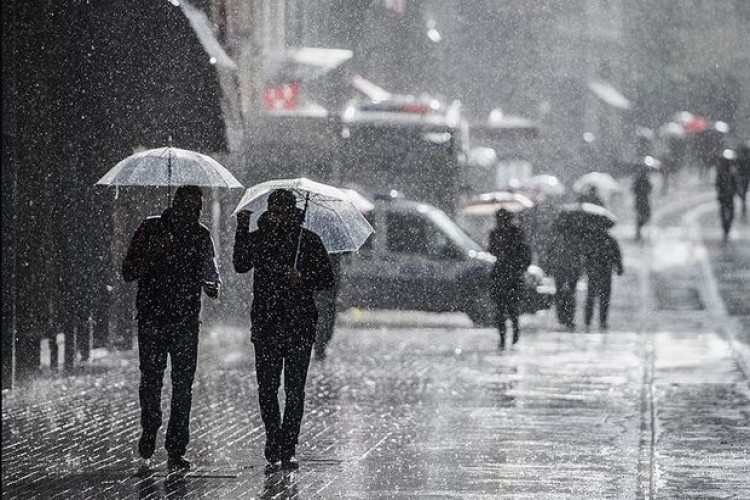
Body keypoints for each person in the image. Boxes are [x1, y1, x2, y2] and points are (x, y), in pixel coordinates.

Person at [233, 189, 335, 472]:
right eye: (274, 211)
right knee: (267, 388)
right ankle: (273, 437)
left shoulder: (308, 241)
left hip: (299, 323)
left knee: (294, 390)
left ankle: (288, 445)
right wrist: (242, 229)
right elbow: (241, 264)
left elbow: (326, 279)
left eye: (283, 212)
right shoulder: (260, 238)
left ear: (293, 212)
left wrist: (302, 277)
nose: (278, 217)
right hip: (266, 323)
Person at [122, 185, 221, 471]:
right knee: (151, 380)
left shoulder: (200, 235)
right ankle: (151, 425)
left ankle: (176, 447)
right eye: (188, 208)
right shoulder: (151, 229)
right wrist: (154, 252)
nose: (192, 214)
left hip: (186, 321)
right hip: (153, 318)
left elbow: (210, 274)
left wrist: (212, 286)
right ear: (175, 205)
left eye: (197, 210)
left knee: (183, 387)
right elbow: (128, 271)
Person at [487, 209, 532, 349]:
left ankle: (509, 335)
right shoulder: (504, 233)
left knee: (506, 309)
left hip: (507, 275)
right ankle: (507, 336)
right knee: (506, 309)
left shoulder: (514, 233)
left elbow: (525, 255)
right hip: (506, 275)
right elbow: (491, 250)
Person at [546, 221, 585, 331]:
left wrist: (549, 268)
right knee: (570, 294)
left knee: (560, 293)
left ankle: (562, 316)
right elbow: (579, 256)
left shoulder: (557, 240)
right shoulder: (575, 240)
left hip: (561, 271)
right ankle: (568, 317)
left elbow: (550, 255)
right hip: (570, 271)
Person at [582, 230, 624, 332]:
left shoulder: (591, 239)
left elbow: (585, 256)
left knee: (591, 297)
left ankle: (588, 320)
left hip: (593, 272)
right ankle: (602, 321)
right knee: (604, 298)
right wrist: (619, 268)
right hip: (605, 272)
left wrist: (587, 267)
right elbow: (617, 255)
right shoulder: (610, 240)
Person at [314, 252, 343, 361]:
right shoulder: (334, 251)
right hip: (324, 292)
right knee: (325, 319)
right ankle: (320, 344)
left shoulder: (334, 254)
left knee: (325, 319)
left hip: (326, 292)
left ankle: (320, 344)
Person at [714, 150, 738, 243]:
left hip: (729, 196)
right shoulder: (721, 171)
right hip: (724, 197)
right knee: (724, 214)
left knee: (731, 214)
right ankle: (725, 230)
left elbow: (735, 182)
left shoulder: (732, 170)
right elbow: (717, 184)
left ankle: (727, 229)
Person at [632, 167, 653, 241]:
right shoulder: (638, 181)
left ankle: (639, 231)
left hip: (643, 202)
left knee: (644, 216)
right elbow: (633, 189)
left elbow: (650, 189)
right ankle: (638, 232)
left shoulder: (645, 180)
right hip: (641, 202)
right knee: (641, 216)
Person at [736, 141, 750, 219]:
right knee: (743, 192)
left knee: (742, 192)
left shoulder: (740, 158)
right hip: (744, 177)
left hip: (742, 177)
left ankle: (743, 206)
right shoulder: (746, 158)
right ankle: (743, 206)